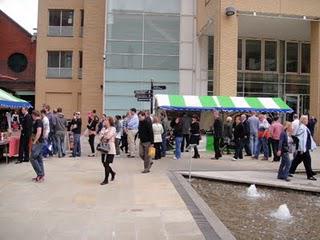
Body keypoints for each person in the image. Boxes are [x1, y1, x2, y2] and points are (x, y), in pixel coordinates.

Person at [289, 115, 317, 180]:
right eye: (306, 119)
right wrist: (302, 149)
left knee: (297, 160)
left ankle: (290, 171)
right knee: (307, 161)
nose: (307, 121)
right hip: (303, 148)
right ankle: (309, 175)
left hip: (303, 148)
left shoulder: (304, 127)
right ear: (303, 120)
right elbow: (301, 139)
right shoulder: (302, 128)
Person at [99, 117, 116, 185]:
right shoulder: (103, 128)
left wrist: (104, 136)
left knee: (106, 163)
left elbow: (108, 136)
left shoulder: (113, 128)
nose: (104, 121)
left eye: (106, 120)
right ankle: (112, 173)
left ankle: (106, 179)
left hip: (110, 148)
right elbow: (100, 136)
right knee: (104, 163)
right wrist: (103, 136)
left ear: (109, 121)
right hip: (103, 147)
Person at [30, 110, 45, 182]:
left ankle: (40, 174)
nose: (32, 117)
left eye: (32, 116)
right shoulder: (39, 121)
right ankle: (41, 176)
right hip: (40, 142)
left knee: (32, 158)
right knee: (39, 159)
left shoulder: (38, 121)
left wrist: (34, 142)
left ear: (34, 115)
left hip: (38, 142)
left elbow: (39, 132)